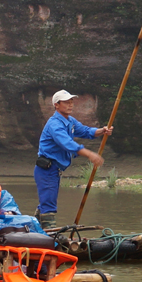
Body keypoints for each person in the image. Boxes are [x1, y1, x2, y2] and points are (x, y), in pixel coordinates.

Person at [33, 90, 113, 228]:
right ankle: (49, 235)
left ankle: (36, 229)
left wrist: (102, 130)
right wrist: (90, 154)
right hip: (46, 169)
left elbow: (86, 131)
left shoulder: (70, 121)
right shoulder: (54, 124)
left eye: (71, 102)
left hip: (55, 169)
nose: (70, 105)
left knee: (47, 202)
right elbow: (67, 143)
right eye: (66, 102)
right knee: (49, 204)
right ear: (56, 105)